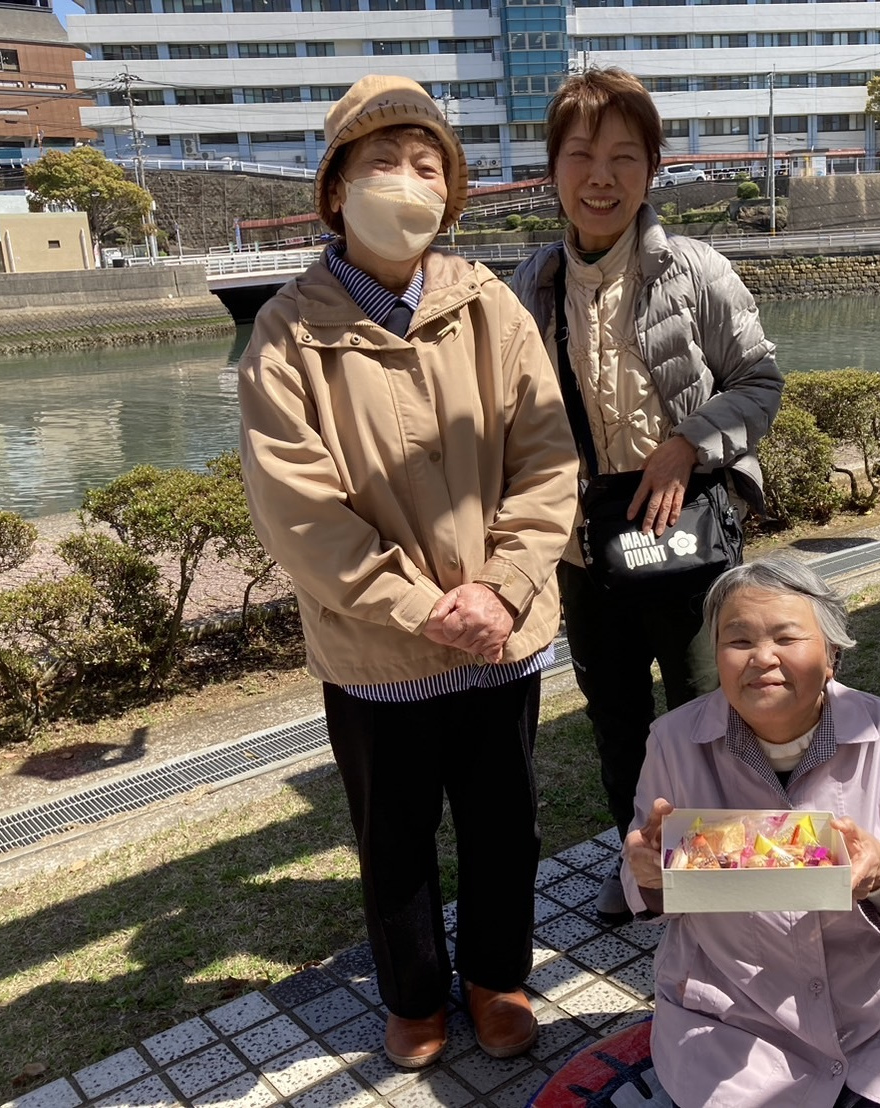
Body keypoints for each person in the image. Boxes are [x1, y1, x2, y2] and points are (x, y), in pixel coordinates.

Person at [237, 75, 578, 1070]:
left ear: (451, 193)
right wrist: (422, 607)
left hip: (501, 633)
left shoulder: (491, 306)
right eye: (381, 161)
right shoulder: (287, 333)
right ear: (334, 191)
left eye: (428, 165)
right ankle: (415, 995)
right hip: (377, 647)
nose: (407, 181)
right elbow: (299, 511)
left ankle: (496, 977)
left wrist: (503, 587)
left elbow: (546, 460)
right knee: (393, 839)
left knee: (504, 823)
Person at [509, 68, 783, 923]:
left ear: (652, 168)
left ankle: (729, 877)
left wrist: (686, 443)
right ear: (552, 169)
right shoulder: (530, 286)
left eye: (624, 156)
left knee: (711, 709)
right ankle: (649, 868)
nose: (601, 177)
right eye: (581, 155)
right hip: (585, 550)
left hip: (689, 535)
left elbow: (759, 382)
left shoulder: (695, 271)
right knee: (618, 721)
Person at [622, 558, 880, 1108]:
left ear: (831, 655)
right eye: (739, 640)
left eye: (786, 637)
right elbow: (647, 886)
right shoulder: (672, 741)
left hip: (877, 1017)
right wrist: (647, 873)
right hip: (731, 1019)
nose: (762, 658)